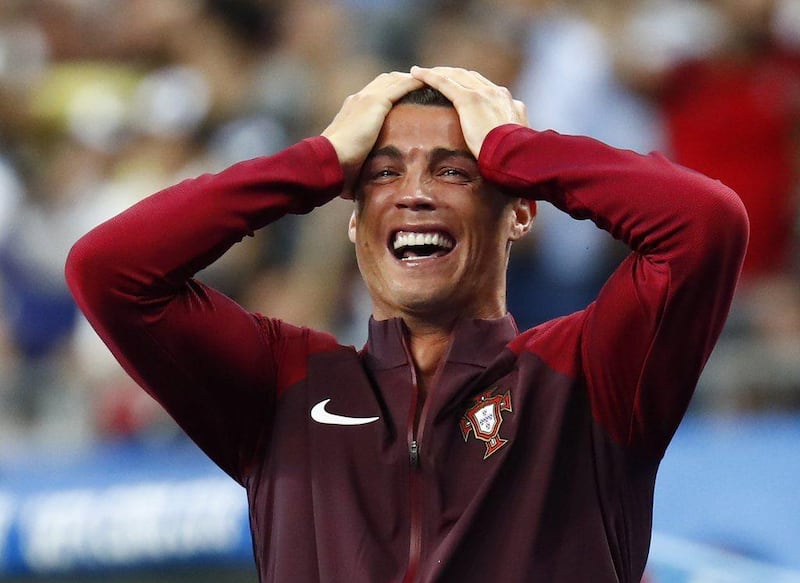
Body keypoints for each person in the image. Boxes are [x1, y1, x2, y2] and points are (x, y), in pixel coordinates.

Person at [65, 66, 748, 582]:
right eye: (383, 174)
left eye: (456, 172)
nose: (415, 192)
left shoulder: (589, 373)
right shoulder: (281, 388)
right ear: (354, 220)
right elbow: (109, 271)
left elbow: (704, 224)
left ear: (520, 212)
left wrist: (519, 150)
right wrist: (319, 161)